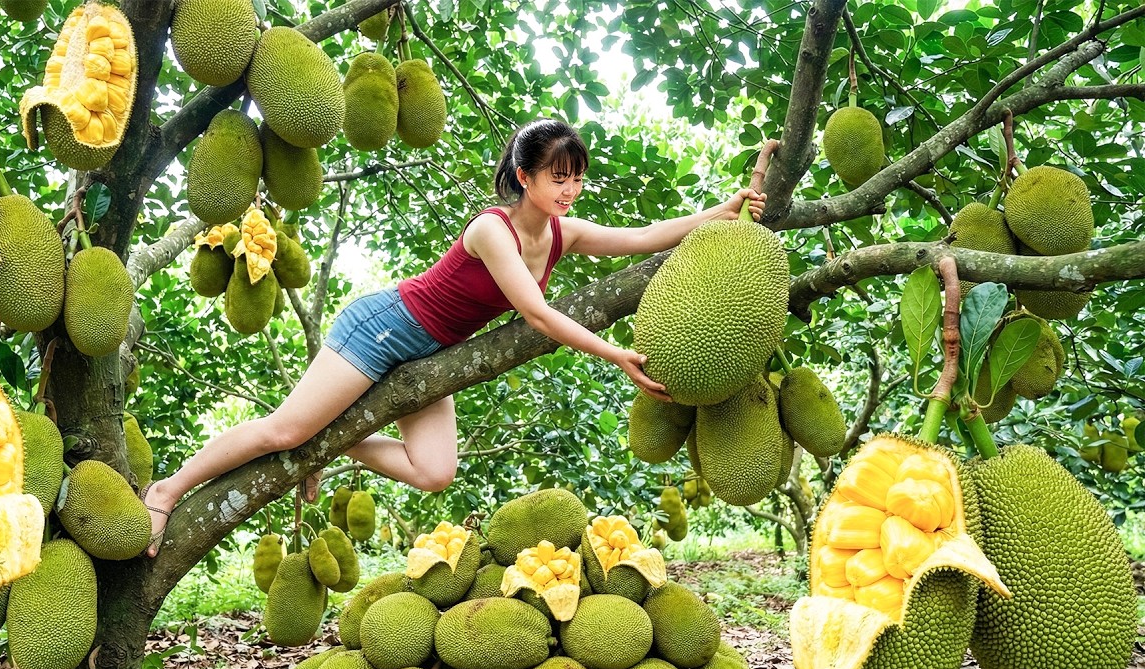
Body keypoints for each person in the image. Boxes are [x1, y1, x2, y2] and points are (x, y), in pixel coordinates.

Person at [141, 118, 766, 556]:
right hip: (385, 328)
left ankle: (338, 443)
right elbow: (538, 314)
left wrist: (725, 210)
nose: (569, 191)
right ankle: (169, 490)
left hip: (433, 354)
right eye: (558, 178)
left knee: (435, 471)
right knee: (285, 430)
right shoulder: (493, 230)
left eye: (576, 179)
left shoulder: (562, 232)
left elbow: (645, 235)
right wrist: (616, 355)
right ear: (524, 177)